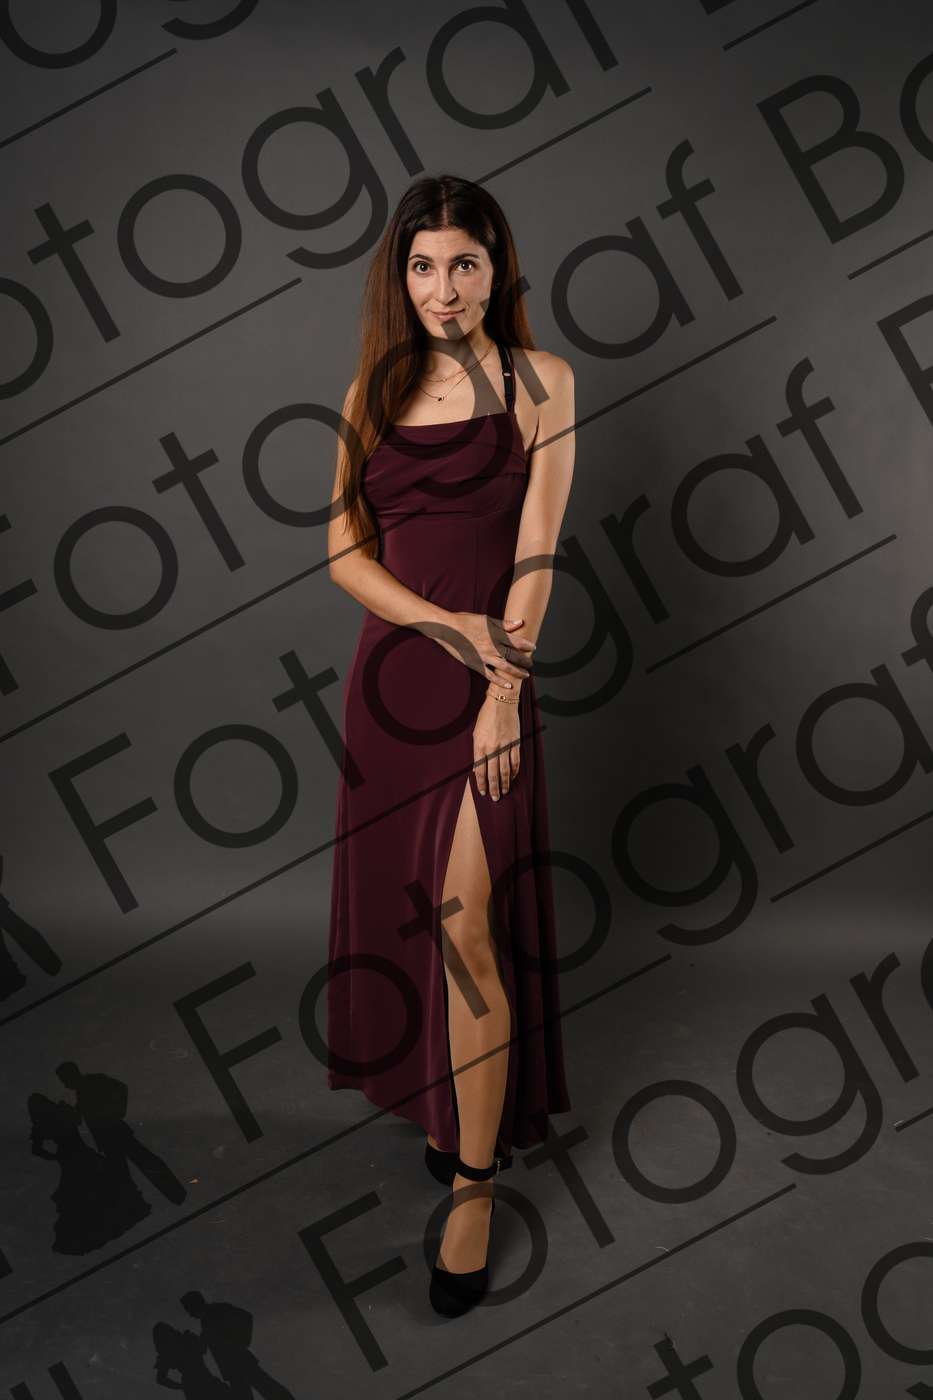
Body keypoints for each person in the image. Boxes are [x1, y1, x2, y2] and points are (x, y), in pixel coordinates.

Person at [326, 173, 575, 1317]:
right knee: (415, 920)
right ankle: (446, 1107)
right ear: (401, 275)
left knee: (470, 925)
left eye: (464, 263)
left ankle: (475, 1186)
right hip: (391, 691)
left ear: (496, 266)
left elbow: (537, 554)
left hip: (491, 690)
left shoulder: (543, 382)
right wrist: (447, 628)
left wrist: (501, 688)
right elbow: (345, 554)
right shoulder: (371, 393)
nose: (443, 288)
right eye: (422, 266)